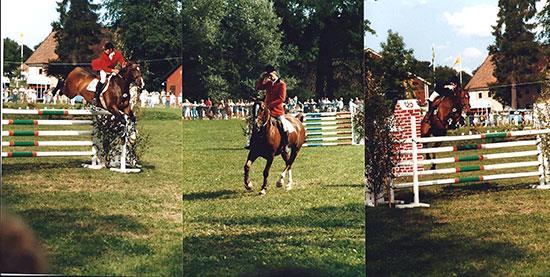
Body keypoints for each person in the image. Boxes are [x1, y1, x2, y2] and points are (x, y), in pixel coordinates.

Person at [255, 65, 293, 153]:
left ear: (275, 74)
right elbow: (258, 87)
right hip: (266, 110)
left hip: (277, 111)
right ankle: (254, 143)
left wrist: (269, 105)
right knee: (257, 123)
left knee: (284, 126)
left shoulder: (282, 84)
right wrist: (262, 77)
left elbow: (281, 99)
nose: (270, 77)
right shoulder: (268, 83)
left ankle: (285, 145)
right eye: (268, 76)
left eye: (271, 75)